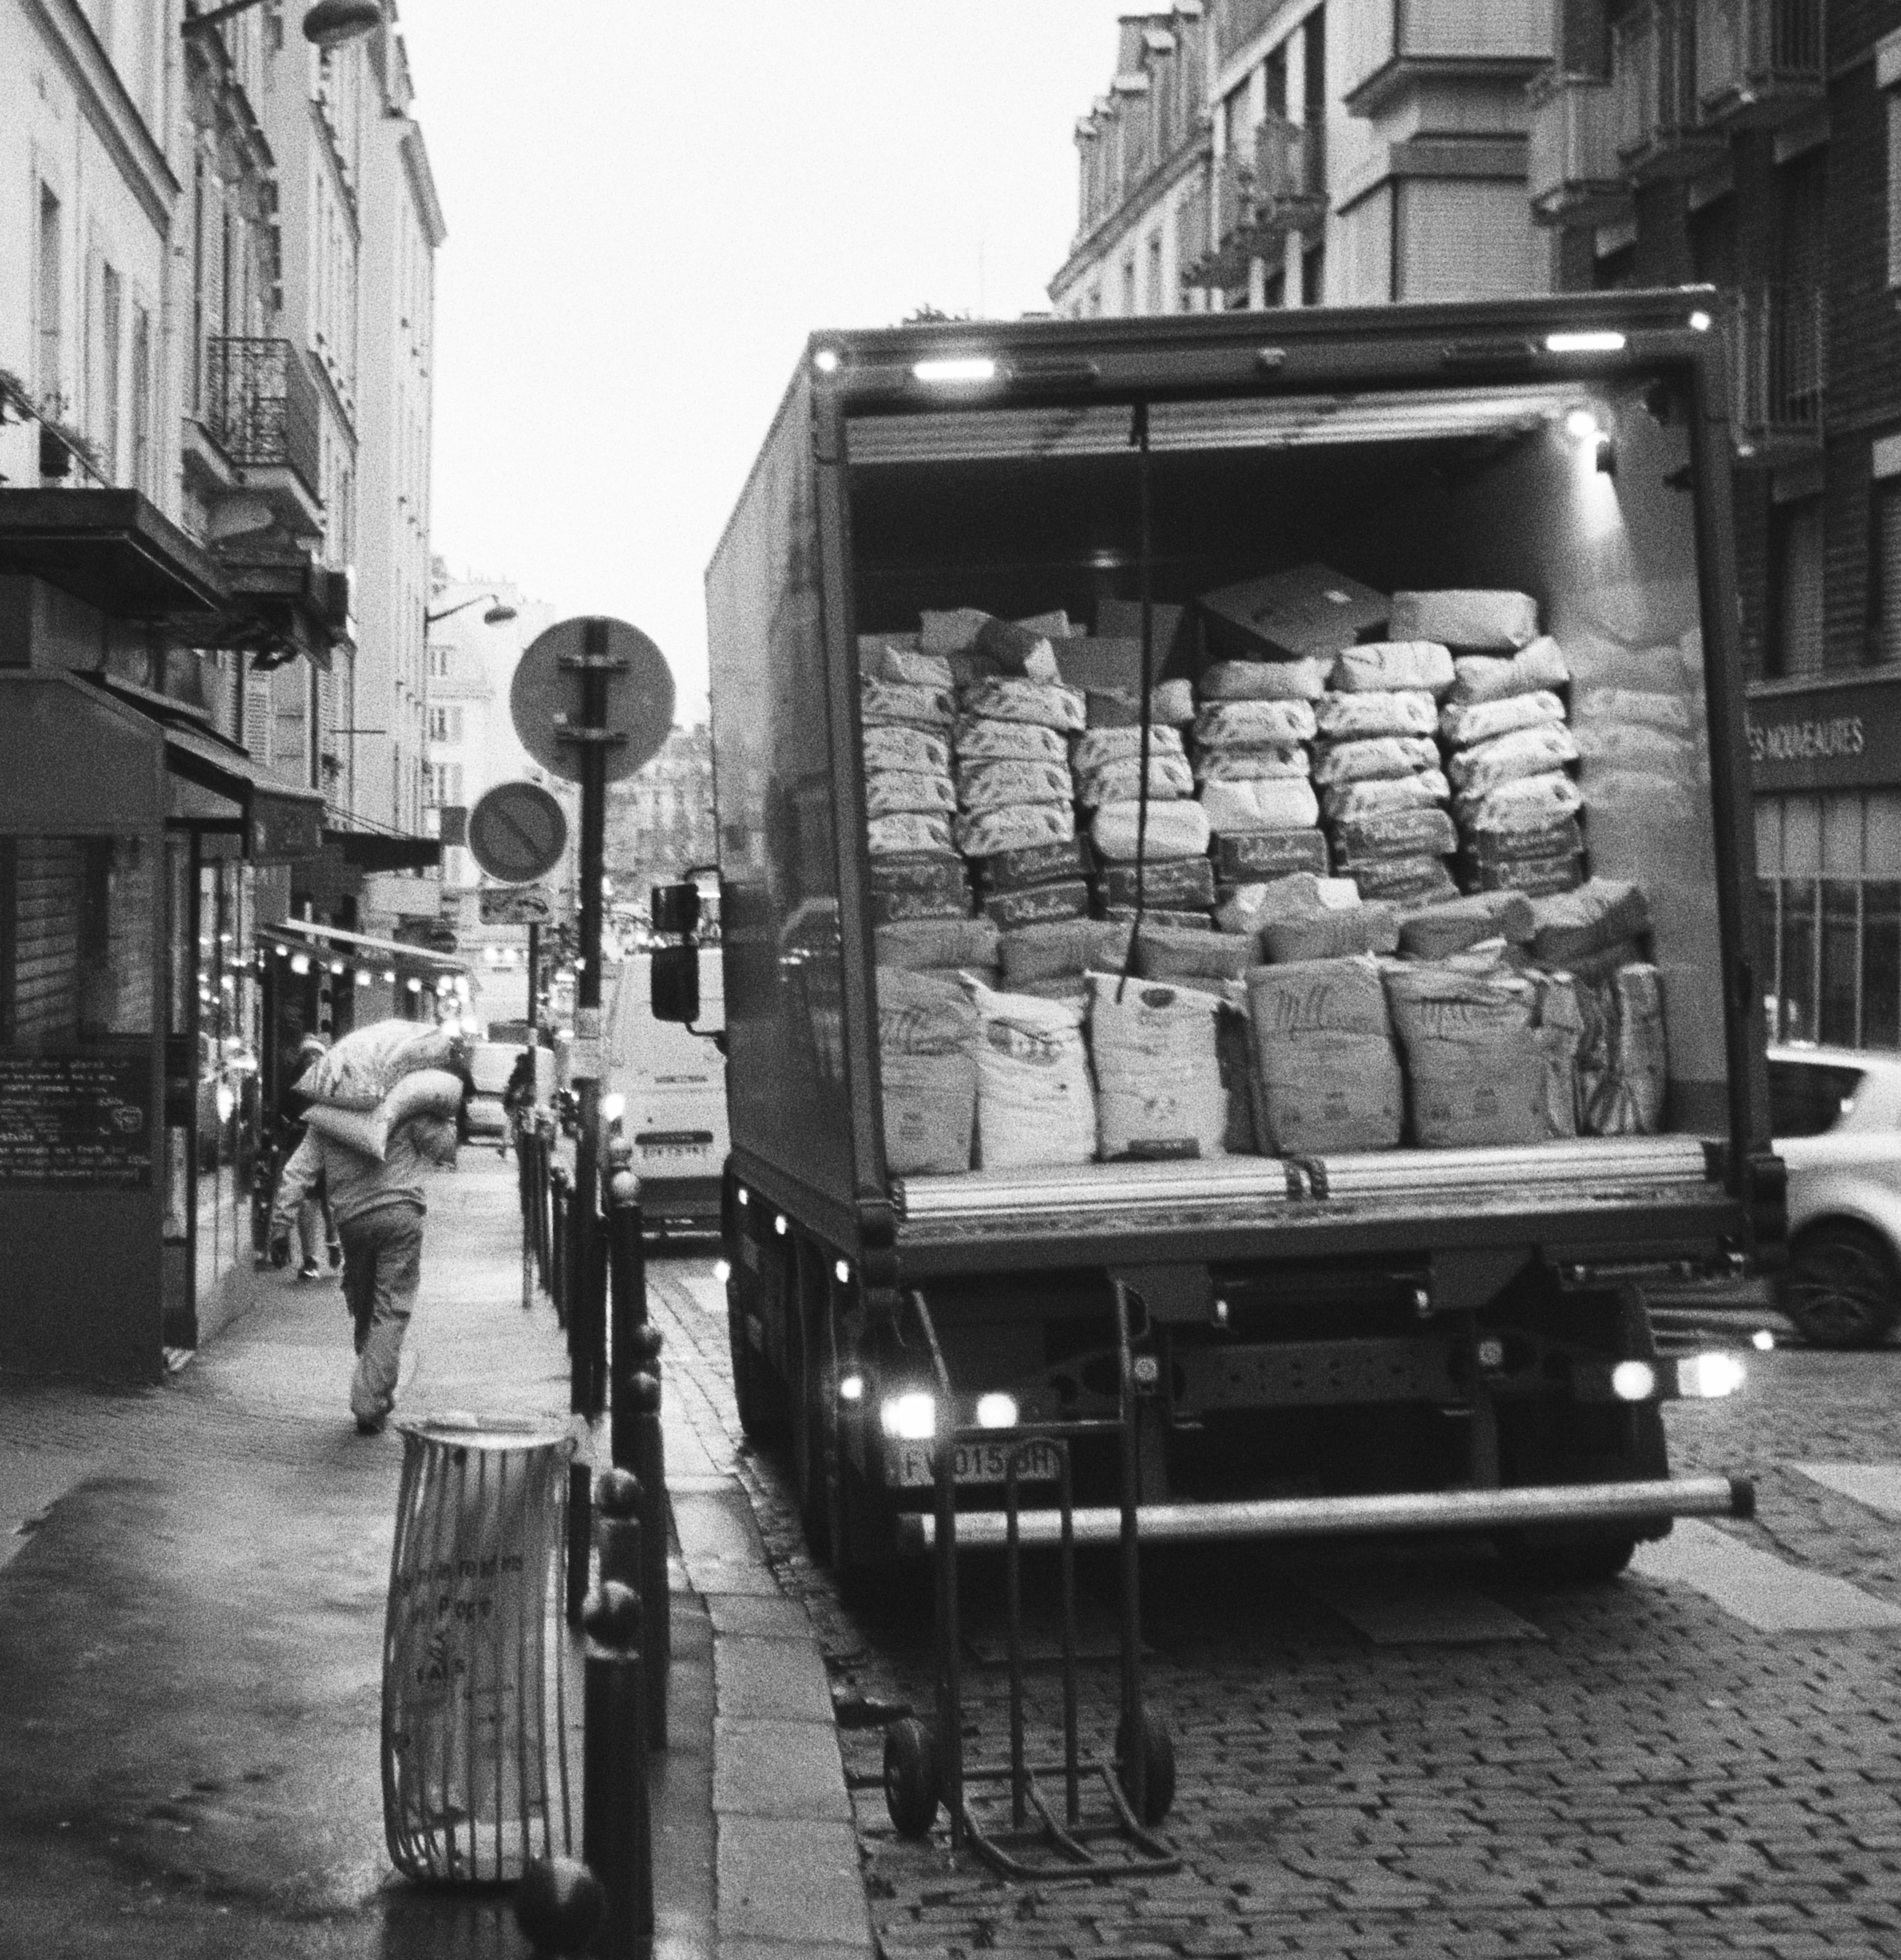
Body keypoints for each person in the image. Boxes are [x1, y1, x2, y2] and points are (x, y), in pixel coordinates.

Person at [268, 1107, 458, 1434]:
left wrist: (281, 1222)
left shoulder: (328, 1113)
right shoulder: (405, 1101)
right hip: (401, 1214)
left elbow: (299, 1169)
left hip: (354, 1221)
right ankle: (370, 1400)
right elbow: (444, 1148)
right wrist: (445, 1112)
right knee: (391, 1310)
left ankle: (373, 1387)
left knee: (365, 1304)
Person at [279, 1034, 341, 1280]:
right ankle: (313, 1256)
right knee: (315, 1202)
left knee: (324, 1202)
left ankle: (327, 1247)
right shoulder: (305, 1087)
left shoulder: (319, 1085)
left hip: (320, 1147)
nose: (311, 1062)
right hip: (311, 1148)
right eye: (308, 1057)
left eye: (315, 1057)